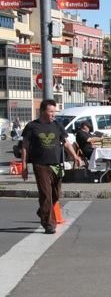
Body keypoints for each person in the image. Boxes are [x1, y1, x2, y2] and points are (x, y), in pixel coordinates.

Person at [21, 99, 84, 234]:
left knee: (56, 194)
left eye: (54, 111)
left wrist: (75, 156)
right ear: (42, 111)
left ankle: (42, 211)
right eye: (51, 112)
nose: (53, 114)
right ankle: (48, 224)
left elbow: (66, 143)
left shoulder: (57, 125)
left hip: (56, 164)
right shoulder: (32, 126)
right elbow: (25, 147)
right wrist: (24, 166)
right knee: (46, 194)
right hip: (40, 165)